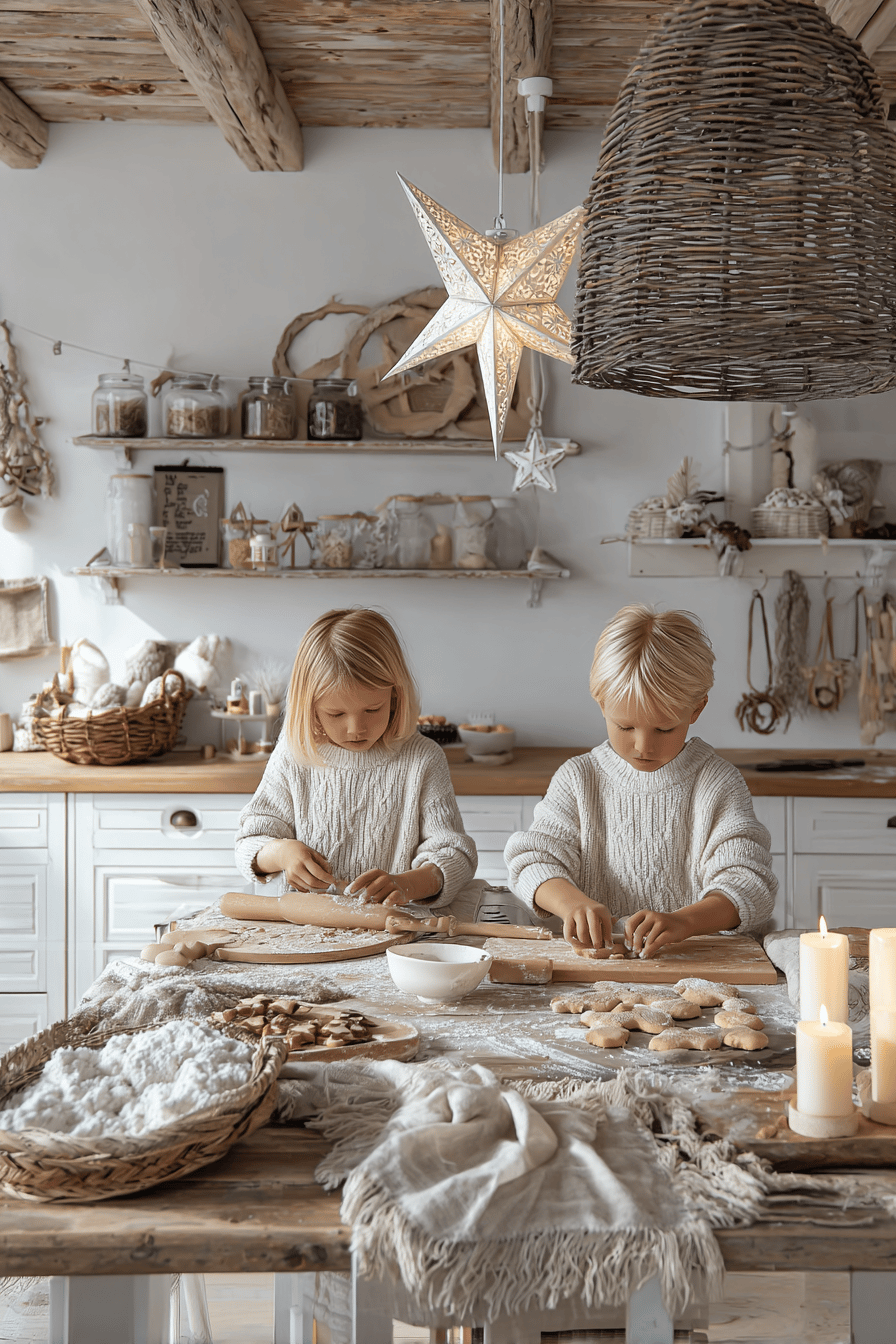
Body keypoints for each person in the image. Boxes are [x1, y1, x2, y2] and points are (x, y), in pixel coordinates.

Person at [504, 604, 776, 958]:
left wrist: (685, 922)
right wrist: (572, 904)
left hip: (697, 964)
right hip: (597, 968)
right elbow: (533, 861)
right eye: (625, 726)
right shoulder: (578, 780)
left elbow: (749, 882)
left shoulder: (717, 783)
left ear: (696, 709)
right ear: (602, 703)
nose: (643, 746)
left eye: (664, 729)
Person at [235, 607, 476, 910]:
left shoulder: (423, 760)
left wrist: (408, 884)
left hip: (394, 928)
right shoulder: (295, 755)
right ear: (310, 707)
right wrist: (283, 854)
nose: (356, 729)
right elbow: (249, 842)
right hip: (304, 928)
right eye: (336, 714)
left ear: (395, 696)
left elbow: (455, 854)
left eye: (372, 709)